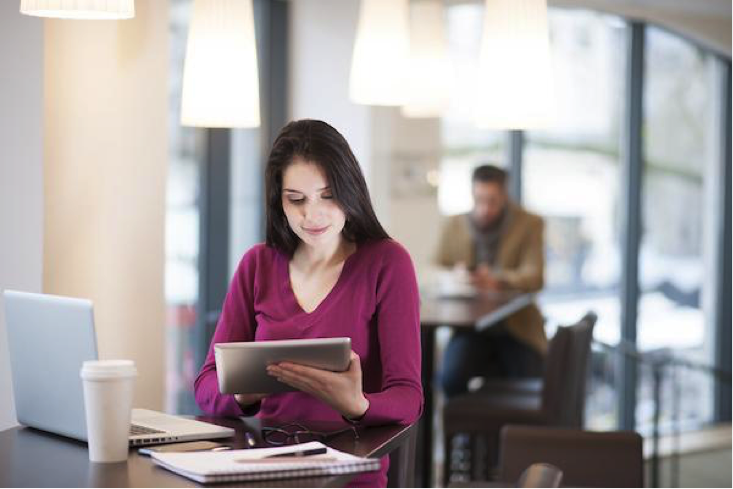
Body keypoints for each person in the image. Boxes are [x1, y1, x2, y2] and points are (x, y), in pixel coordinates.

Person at [194, 119, 423, 489]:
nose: (311, 214)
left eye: (327, 195)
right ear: (278, 201)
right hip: (263, 467)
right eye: (296, 199)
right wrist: (243, 394)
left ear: (350, 191)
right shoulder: (258, 265)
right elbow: (205, 386)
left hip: (348, 473)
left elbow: (408, 398)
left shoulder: (387, 263)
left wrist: (357, 404)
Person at [436, 164, 546, 398]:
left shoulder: (528, 224)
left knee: (528, 389)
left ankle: (514, 434)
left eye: (492, 201)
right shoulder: (455, 224)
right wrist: (456, 276)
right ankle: (463, 433)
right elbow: (435, 268)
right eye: (479, 199)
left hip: (517, 326)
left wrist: (496, 279)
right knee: (450, 379)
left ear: (505, 196)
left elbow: (535, 276)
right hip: (471, 327)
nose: (485, 208)